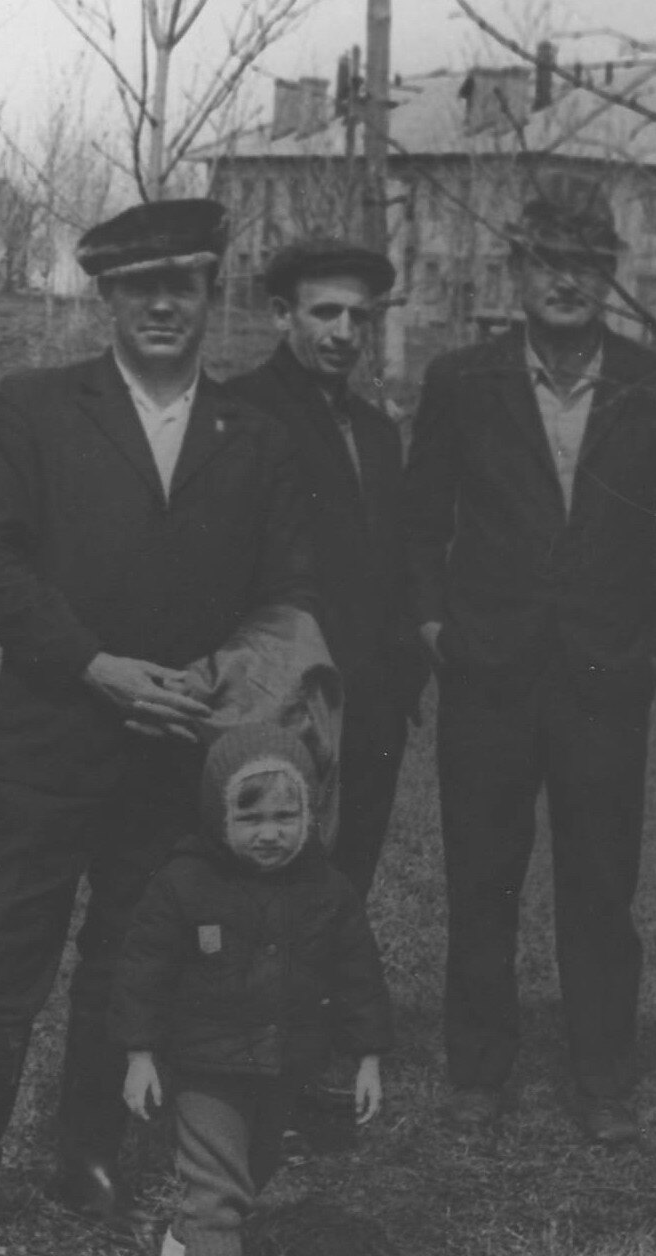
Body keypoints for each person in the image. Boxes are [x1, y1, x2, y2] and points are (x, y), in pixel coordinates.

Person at [0, 199, 315, 1251]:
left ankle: (92, 1155)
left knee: (133, 954)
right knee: (0, 954)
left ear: (214, 292)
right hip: (48, 738)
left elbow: (281, 592)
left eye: (185, 283)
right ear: (105, 295)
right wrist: (95, 666)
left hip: (177, 751)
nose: (162, 303)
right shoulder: (35, 407)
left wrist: (213, 681)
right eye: (137, 285)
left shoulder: (255, 437)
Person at [401, 183, 656, 1145]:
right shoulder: (462, 381)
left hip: (608, 678)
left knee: (602, 886)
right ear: (517, 272)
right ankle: (477, 1071)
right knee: (483, 877)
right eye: (546, 263)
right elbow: (421, 521)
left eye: (586, 265)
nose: (566, 282)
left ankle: (603, 1074)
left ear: (612, 277)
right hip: (490, 673)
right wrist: (436, 628)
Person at [112, 724, 391, 1256]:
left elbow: (358, 975)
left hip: (282, 1064)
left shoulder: (327, 889)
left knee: (248, 1173)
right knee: (216, 1191)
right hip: (204, 1065)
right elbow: (140, 973)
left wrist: (368, 1056)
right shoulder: (184, 882)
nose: (270, 833)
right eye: (251, 817)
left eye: (287, 816)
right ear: (218, 817)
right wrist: (139, 1052)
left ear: (311, 815)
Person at [222, 239, 426, 897]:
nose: (344, 333)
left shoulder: (374, 429)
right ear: (283, 314)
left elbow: (390, 555)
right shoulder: (239, 410)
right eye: (325, 313)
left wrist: (401, 675)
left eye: (359, 317)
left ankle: (329, 1001)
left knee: (345, 881)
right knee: (265, 877)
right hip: (282, 694)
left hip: (373, 701)